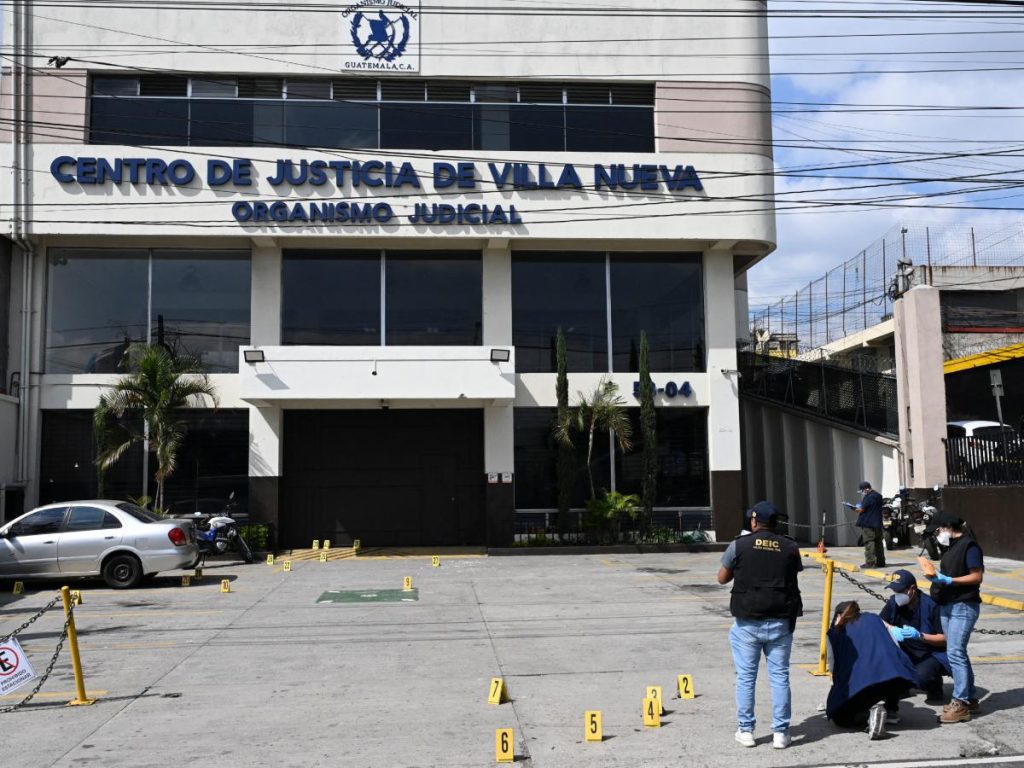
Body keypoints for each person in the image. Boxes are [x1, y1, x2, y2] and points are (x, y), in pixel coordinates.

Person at [718, 501, 803, 750]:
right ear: (775, 522)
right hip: (780, 620)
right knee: (780, 677)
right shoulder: (790, 546)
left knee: (746, 678)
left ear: (754, 521)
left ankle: (746, 731)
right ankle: (781, 733)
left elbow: (722, 578)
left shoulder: (739, 545)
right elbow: (792, 573)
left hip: (748, 621)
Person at [922, 511, 984, 723]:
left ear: (948, 527)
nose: (937, 534)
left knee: (955, 652)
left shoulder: (969, 546)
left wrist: (950, 580)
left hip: (963, 605)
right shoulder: (949, 548)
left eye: (938, 530)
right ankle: (970, 697)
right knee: (956, 652)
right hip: (948, 604)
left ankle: (961, 703)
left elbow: (977, 576)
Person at [826, 601, 920, 739]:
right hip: (898, 678)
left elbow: (834, 668)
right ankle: (891, 710)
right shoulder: (874, 618)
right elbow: (895, 647)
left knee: (839, 717)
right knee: (889, 671)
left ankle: (869, 718)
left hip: (864, 684)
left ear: (839, 616)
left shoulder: (835, 632)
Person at [879, 569, 950, 712]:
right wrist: (892, 629)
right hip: (905, 651)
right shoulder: (894, 603)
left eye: (900, 591)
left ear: (912, 589)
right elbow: (879, 621)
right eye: (895, 591)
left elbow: (944, 639)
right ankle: (902, 687)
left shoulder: (931, 605)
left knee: (921, 678)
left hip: (929, 654)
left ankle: (934, 684)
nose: (897, 594)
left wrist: (920, 636)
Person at [854, 480, 885, 569]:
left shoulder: (868, 497)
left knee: (869, 543)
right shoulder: (878, 496)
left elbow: (861, 509)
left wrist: (853, 508)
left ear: (866, 489)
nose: (862, 493)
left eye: (862, 491)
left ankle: (870, 563)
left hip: (868, 524)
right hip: (877, 523)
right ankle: (881, 562)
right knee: (878, 543)